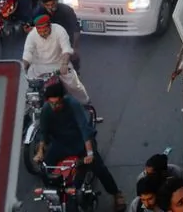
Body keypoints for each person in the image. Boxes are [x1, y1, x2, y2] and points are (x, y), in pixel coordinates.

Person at [34, 81, 125, 212]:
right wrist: (40, 152)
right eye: (51, 103)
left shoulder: (73, 104)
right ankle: (54, 196)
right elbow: (43, 132)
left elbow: (84, 129)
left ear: (63, 98)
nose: (54, 106)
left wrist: (89, 153)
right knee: (45, 169)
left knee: (98, 167)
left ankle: (116, 193)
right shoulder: (46, 109)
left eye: (57, 103)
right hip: (61, 144)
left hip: (81, 143)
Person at [22, 13, 89, 104]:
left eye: (45, 31)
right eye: (40, 32)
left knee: (74, 85)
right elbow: (27, 54)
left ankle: (86, 102)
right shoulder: (32, 35)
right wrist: (22, 68)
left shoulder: (59, 30)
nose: (43, 34)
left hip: (59, 65)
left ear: (50, 26)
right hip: (38, 66)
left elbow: (66, 49)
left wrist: (64, 64)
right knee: (25, 89)